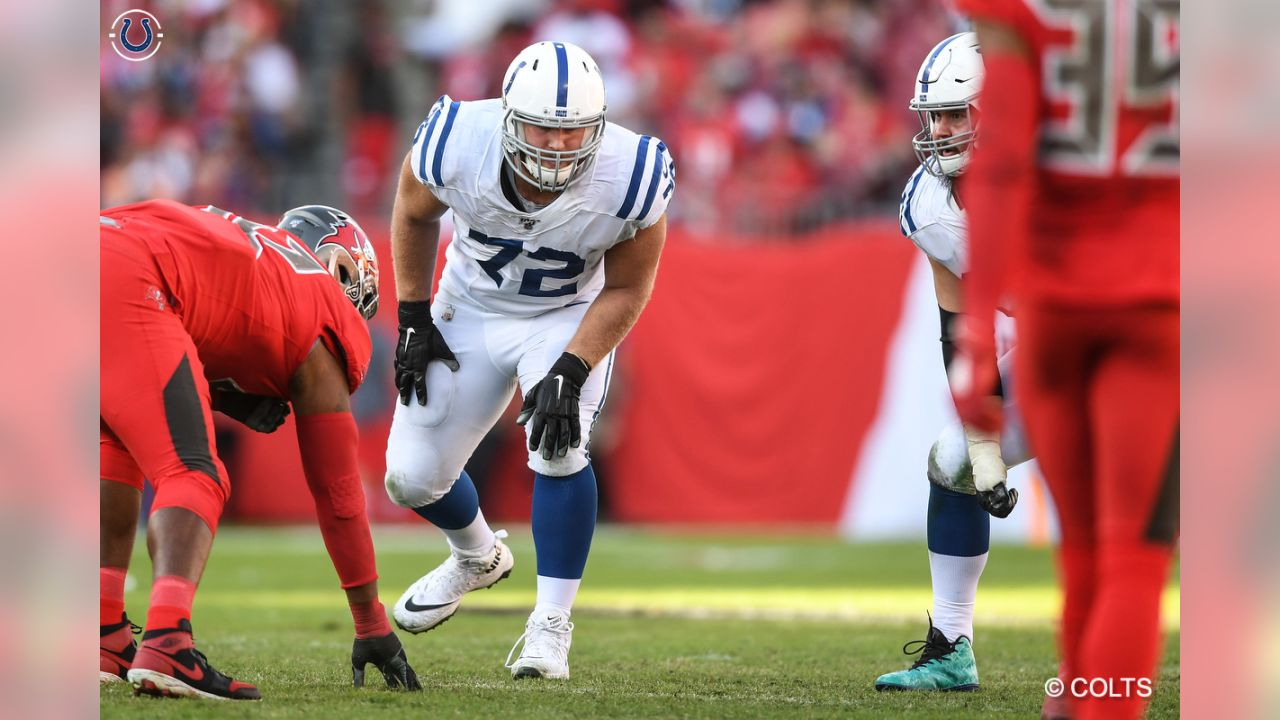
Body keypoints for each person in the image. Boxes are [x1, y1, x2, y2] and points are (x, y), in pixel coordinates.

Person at [383, 40, 674, 680]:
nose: (558, 146)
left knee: (560, 445)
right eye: (544, 127)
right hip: (471, 306)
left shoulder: (631, 173)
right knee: (409, 478)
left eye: (574, 133)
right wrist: (411, 314)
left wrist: (572, 368)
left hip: (566, 313)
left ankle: (550, 624)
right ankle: (477, 555)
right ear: (510, 117)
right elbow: (411, 209)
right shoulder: (458, 139)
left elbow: (628, 286)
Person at [949, 2, 1179, 718]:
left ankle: (1076, 696)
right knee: (1133, 562)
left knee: (1082, 554)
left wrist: (978, 332)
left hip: (1054, 304)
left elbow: (1002, 165)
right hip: (1164, 298)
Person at [100, 201, 421, 700]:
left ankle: (103, 634)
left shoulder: (249, 251)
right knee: (195, 474)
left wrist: (229, 393)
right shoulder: (327, 309)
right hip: (131, 274)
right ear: (345, 269)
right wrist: (370, 621)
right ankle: (167, 641)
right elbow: (337, 492)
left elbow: (197, 310)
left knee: (116, 447)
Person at [874, 32, 1034, 693]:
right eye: (933, 115)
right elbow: (958, 325)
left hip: (1147, 341)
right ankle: (951, 647)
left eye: (956, 114)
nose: (940, 130)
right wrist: (984, 435)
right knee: (956, 460)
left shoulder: (1053, 178)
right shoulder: (930, 203)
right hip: (1055, 347)